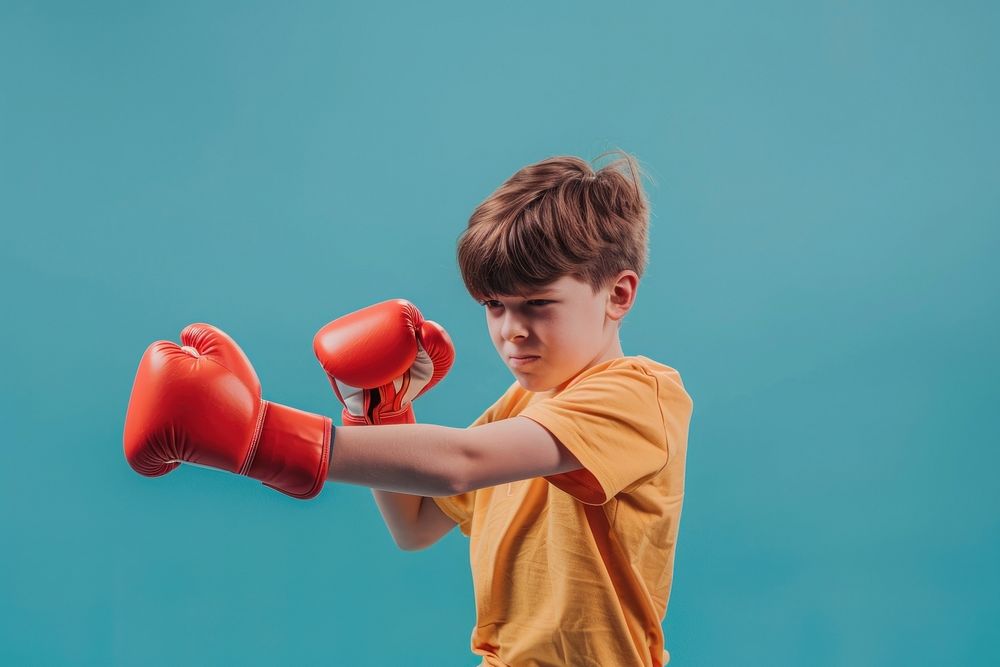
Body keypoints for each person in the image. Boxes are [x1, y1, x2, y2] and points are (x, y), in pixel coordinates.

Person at [123, 150, 693, 666]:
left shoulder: (641, 394)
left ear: (618, 294)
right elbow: (415, 526)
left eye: (538, 304)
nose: (510, 331)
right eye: (494, 305)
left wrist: (262, 437)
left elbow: (460, 461)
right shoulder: (521, 408)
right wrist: (380, 415)